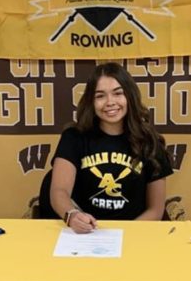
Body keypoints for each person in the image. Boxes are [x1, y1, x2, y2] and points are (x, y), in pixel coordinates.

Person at [50, 63, 172, 233]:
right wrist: (72, 215)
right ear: (91, 101)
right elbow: (59, 191)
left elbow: (155, 210)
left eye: (118, 93)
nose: (110, 102)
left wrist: (122, 235)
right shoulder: (74, 137)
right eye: (100, 96)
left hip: (133, 235)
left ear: (130, 96)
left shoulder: (150, 141)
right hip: (83, 234)